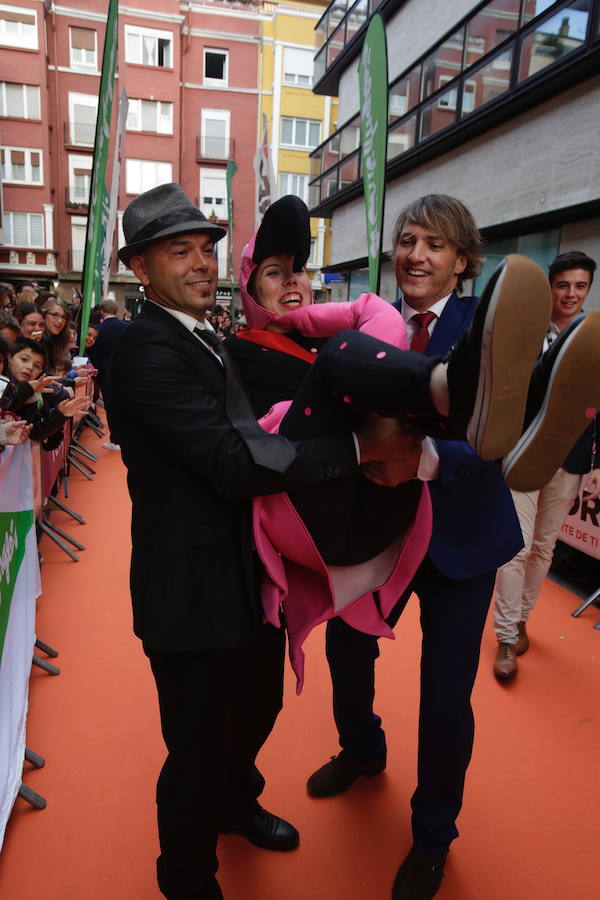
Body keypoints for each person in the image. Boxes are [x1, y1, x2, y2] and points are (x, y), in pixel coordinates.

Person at [108, 183, 413, 900]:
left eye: (204, 249)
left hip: (248, 571)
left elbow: (263, 431)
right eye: (178, 252)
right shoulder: (148, 351)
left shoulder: (205, 335)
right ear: (140, 268)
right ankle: (187, 878)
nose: (198, 263)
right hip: (189, 591)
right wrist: (357, 452)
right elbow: (230, 460)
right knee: (196, 750)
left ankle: (235, 804)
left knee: (259, 707)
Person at [302, 195, 597, 900]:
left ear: (463, 260)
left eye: (435, 244)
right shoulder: (367, 324)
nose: (416, 255)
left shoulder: (493, 328)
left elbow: (508, 428)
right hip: (373, 532)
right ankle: (361, 749)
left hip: (462, 538)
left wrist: (428, 459)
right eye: (408, 240)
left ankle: (433, 835)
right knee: (347, 652)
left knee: (445, 698)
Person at [493, 250, 600, 679]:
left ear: (588, 289)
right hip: (523, 452)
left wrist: (594, 460)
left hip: (571, 457)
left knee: (544, 547)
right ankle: (505, 637)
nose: (571, 294)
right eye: (563, 285)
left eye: (580, 286)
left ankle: (522, 621)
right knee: (514, 546)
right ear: (550, 287)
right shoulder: (526, 330)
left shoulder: (594, 339)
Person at [86, 298, 128, 451]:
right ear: (116, 311)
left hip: (106, 373)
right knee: (125, 406)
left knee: (111, 407)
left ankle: (116, 440)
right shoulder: (126, 327)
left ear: (102, 311)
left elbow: (93, 353)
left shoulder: (98, 330)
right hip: (126, 371)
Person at [40, 297, 72, 373]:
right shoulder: (39, 340)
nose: (60, 321)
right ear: (44, 315)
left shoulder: (60, 341)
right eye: (55, 315)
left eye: (64, 317)